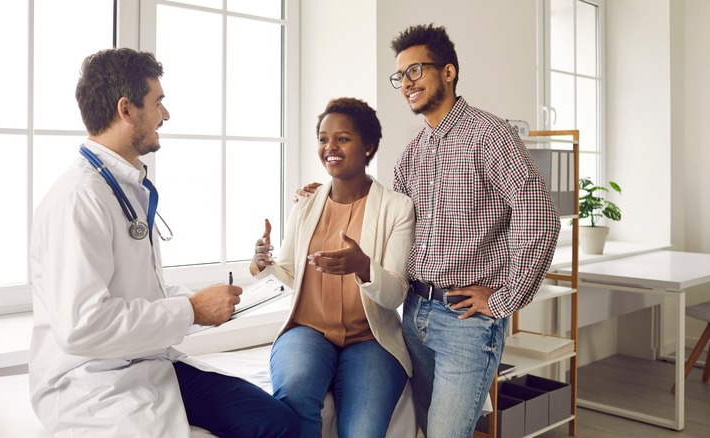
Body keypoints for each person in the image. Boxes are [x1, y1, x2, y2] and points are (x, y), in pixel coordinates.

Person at [297, 24, 561, 437]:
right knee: (423, 427)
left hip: (465, 319)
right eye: (400, 76)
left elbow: (540, 217)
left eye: (416, 71)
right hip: (416, 313)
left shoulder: (490, 136)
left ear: (449, 72)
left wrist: (506, 298)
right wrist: (324, 193)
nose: (406, 83)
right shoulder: (415, 151)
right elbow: (387, 213)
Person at [29, 47, 298, 437]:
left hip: (147, 361)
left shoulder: (123, 185)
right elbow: (80, 328)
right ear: (126, 109)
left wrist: (202, 303)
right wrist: (191, 310)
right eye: (158, 103)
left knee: (277, 422)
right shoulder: (78, 198)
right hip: (93, 378)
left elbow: (140, 289)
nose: (165, 115)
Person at [252, 97, 416, 437]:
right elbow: (288, 273)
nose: (331, 147)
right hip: (307, 330)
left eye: (343, 138)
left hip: (371, 339)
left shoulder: (397, 208)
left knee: (363, 431)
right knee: (294, 396)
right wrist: (262, 262)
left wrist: (363, 266)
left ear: (368, 145)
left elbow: (396, 292)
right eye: (323, 138)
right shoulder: (306, 203)